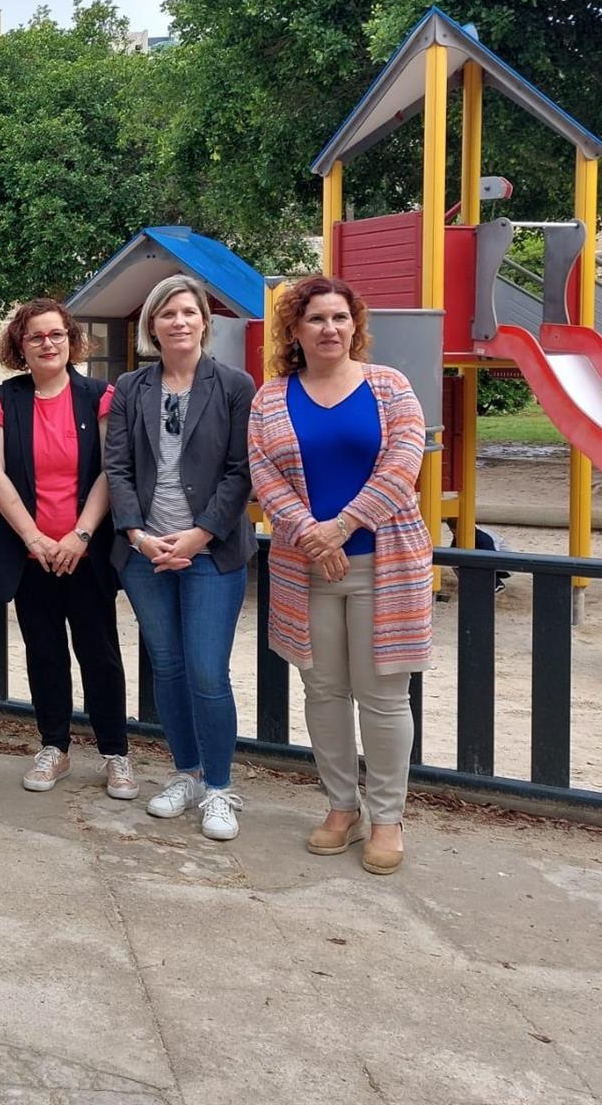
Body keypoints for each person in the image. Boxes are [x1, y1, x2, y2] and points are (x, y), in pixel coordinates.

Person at [249, 275, 431, 875]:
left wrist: (341, 527)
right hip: (306, 570)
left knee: (382, 697)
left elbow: (405, 462)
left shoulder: (390, 387)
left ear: (356, 326)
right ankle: (340, 806)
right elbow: (264, 475)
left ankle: (387, 818)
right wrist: (312, 534)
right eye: (316, 320)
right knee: (323, 691)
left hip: (385, 563)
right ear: (295, 332)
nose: (330, 329)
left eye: (340, 318)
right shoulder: (272, 397)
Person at [104, 274, 257, 841]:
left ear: (204, 322)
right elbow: (116, 467)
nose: (179, 322)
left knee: (206, 671)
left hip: (211, 554)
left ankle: (219, 788)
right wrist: (139, 536)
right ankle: (186, 773)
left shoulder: (235, 386)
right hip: (145, 552)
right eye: (166, 314)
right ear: (152, 326)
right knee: (166, 667)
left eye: (188, 312)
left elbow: (243, 470)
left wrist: (199, 536)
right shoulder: (130, 388)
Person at [0, 298, 135, 797]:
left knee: (100, 653)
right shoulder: (4, 399)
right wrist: (35, 538)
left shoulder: (98, 396)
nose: (47, 344)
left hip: (85, 553)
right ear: (19, 346)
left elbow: (113, 470)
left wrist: (80, 535)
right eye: (35, 337)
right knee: (44, 652)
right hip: (31, 555)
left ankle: (116, 753)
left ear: (71, 339)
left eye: (56, 335)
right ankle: (55, 747)